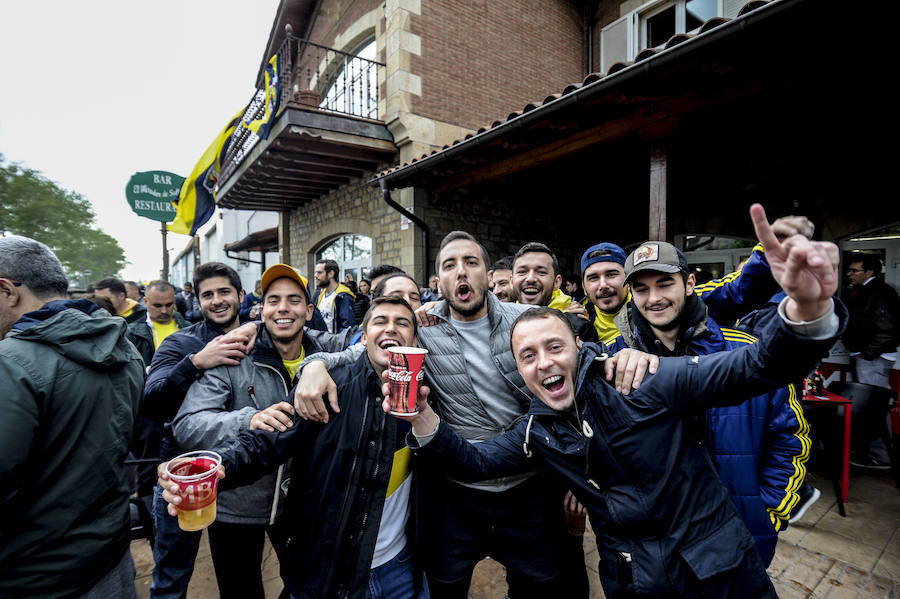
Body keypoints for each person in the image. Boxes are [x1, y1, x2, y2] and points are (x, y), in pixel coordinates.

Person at [395, 205, 844, 598]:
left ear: (580, 345)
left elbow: (757, 369)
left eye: (555, 347)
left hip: (718, 573)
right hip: (631, 578)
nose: (544, 363)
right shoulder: (539, 430)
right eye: (527, 356)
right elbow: (474, 462)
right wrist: (422, 416)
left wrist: (805, 313)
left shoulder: (637, 377)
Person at [293, 232, 589, 599]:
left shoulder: (522, 322)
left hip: (527, 490)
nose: (461, 272)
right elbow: (366, 348)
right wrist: (315, 364)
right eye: (449, 265)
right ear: (439, 281)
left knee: (542, 586)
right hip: (456, 496)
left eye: (471, 262)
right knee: (445, 587)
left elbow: (576, 360)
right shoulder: (422, 332)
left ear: (490, 274)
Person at [159, 296, 429, 599]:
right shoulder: (327, 389)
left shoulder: (427, 400)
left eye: (402, 323)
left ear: (415, 339)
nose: (390, 329)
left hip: (399, 569)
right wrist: (216, 467)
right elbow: (265, 442)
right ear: (363, 338)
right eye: (381, 321)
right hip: (328, 570)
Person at [605, 241, 809, 566]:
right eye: (641, 288)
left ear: (689, 284)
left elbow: (791, 437)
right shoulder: (614, 361)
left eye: (664, 284)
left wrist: (766, 511)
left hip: (739, 541)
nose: (654, 298)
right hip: (657, 551)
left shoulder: (745, 353)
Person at [0, 236, 144, 598]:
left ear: (7, 291)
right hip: (110, 556)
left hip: (35, 576)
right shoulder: (123, 347)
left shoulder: (11, 363)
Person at [172, 264, 327, 599]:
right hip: (235, 507)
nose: (283, 308)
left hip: (301, 507)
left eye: (294, 300)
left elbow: (368, 341)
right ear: (262, 308)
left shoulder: (325, 355)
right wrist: (247, 419)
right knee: (241, 591)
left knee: (309, 585)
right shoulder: (233, 354)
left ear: (309, 310)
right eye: (274, 300)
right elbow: (188, 424)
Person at [142, 262, 256, 599]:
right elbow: (151, 401)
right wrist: (196, 362)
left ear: (240, 295)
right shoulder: (181, 343)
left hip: (240, 477)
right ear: (197, 301)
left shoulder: (260, 338)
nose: (217, 300)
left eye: (224, 292)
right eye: (208, 295)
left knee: (240, 576)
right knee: (171, 577)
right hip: (184, 475)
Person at [126, 280, 192, 505]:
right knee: (148, 468)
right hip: (149, 413)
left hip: (183, 407)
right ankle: (150, 520)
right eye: (157, 306)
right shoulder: (131, 332)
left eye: (169, 305)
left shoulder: (189, 327)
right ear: (145, 302)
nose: (164, 311)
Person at [512, 242, 598, 343]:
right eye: (522, 272)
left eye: (541, 272)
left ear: (557, 282)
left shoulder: (579, 327)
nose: (530, 278)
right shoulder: (498, 323)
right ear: (511, 281)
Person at [842, 254, 900, 390]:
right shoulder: (864, 291)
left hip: (873, 357)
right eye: (849, 270)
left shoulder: (879, 292)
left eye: (854, 271)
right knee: (864, 400)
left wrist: (868, 354)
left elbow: (888, 329)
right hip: (866, 355)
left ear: (869, 272)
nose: (849, 274)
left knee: (872, 400)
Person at [312, 258, 356, 333]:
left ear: (331, 274)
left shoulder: (343, 296)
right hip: (318, 341)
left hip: (334, 342)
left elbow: (347, 328)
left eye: (319, 273)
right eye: (315, 273)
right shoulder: (318, 295)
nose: (315, 276)